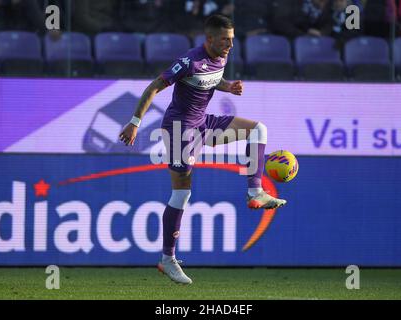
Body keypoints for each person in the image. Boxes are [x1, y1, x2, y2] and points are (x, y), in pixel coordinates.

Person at [119, 14, 286, 285]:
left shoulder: (221, 56)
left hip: (203, 124)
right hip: (178, 130)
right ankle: (167, 259)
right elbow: (154, 87)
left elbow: (210, 78)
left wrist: (227, 86)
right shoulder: (189, 61)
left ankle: (256, 192)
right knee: (182, 194)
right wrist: (134, 123)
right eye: (225, 40)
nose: (230, 45)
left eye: (232, 40)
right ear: (209, 39)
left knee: (258, 129)